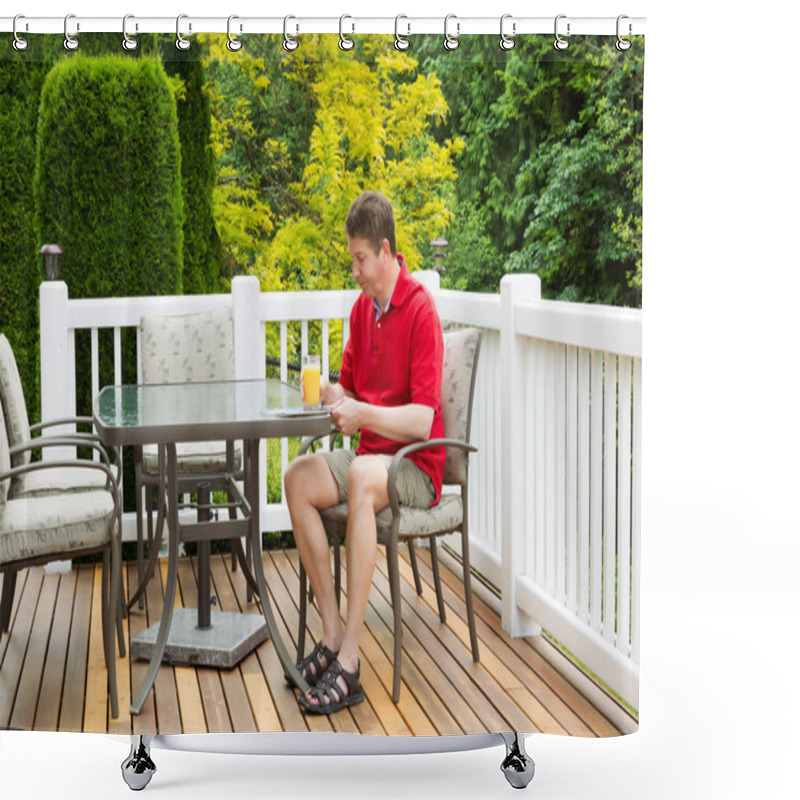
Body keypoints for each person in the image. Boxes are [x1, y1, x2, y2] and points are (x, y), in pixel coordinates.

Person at [283, 190, 445, 714]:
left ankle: (349, 664)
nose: (354, 270)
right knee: (298, 478)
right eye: (350, 259)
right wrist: (334, 398)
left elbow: (422, 419)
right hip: (371, 457)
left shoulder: (420, 311)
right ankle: (331, 636)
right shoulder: (360, 310)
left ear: (386, 251)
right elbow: (350, 392)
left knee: (359, 479)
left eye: (359, 259)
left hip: (415, 464)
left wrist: (363, 414)